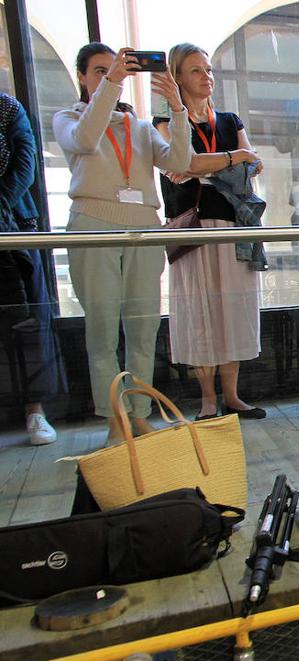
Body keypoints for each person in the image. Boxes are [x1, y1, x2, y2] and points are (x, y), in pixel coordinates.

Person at [54, 43, 192, 445]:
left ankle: (139, 413)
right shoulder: (70, 116)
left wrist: (178, 109)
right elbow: (83, 139)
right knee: (102, 328)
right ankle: (114, 419)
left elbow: (179, 161)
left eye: (112, 69)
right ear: (82, 77)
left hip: (143, 228)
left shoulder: (141, 127)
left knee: (143, 328)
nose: (107, 75)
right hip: (92, 224)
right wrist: (112, 83)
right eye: (98, 70)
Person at [155, 44, 265, 420]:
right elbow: (183, 160)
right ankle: (206, 401)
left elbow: (252, 168)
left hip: (233, 224)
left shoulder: (230, 119)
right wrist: (234, 158)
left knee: (233, 308)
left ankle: (232, 396)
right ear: (178, 77)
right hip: (192, 226)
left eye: (208, 69)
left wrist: (209, 166)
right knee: (198, 309)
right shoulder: (166, 121)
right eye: (196, 70)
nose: (207, 76)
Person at [0, 92, 62, 444]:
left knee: (28, 325)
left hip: (12, 228)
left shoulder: (8, 108)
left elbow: (26, 165)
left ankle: (35, 411)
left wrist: (1, 207)